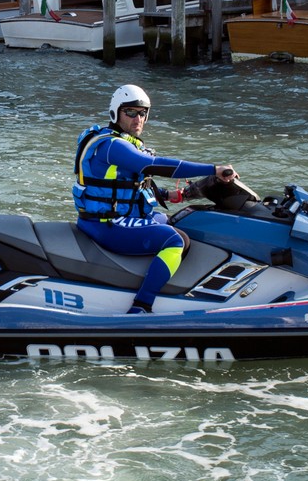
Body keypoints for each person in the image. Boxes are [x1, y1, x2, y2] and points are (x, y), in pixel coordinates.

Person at [73, 85, 236, 314]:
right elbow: (153, 165)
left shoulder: (124, 141)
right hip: (105, 224)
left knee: (180, 222)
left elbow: (127, 185)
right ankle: (142, 306)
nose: (137, 118)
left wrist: (171, 195)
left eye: (142, 113)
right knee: (175, 240)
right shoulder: (112, 145)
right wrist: (213, 169)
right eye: (130, 112)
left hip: (119, 216)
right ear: (115, 112)